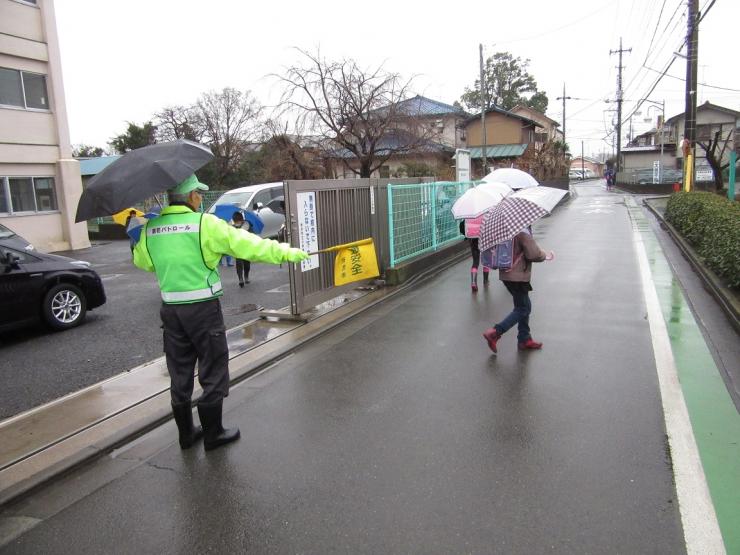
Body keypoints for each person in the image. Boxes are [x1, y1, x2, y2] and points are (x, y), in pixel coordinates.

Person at [133, 174, 308, 451]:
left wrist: (142, 233)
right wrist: (286, 252)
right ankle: (213, 434)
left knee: (179, 370)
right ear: (191, 196)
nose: (201, 198)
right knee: (213, 366)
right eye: (199, 194)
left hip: (171, 311)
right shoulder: (205, 224)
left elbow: (143, 262)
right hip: (203, 309)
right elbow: (248, 245)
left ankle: (186, 435)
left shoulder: (151, 228)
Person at [482, 228, 553, 353]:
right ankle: (496, 332)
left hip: (506, 274)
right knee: (524, 308)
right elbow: (533, 254)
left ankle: (524, 338)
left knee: (523, 305)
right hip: (518, 276)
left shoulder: (503, 229)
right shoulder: (521, 230)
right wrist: (544, 254)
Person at [459, 216, 490, 292]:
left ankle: (473, 282)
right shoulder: (485, 214)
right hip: (484, 239)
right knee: (486, 261)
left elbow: (462, 226)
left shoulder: (469, 215)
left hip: (473, 240)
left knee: (475, 262)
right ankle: (485, 280)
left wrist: (466, 236)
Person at [230, 211, 251, 287]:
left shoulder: (246, 225)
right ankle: (240, 279)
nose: (237, 223)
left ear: (242, 220)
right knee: (239, 264)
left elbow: (249, 234)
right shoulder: (232, 227)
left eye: (239, 221)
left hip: (246, 247)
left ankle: (246, 276)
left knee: (247, 264)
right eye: (236, 221)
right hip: (237, 248)